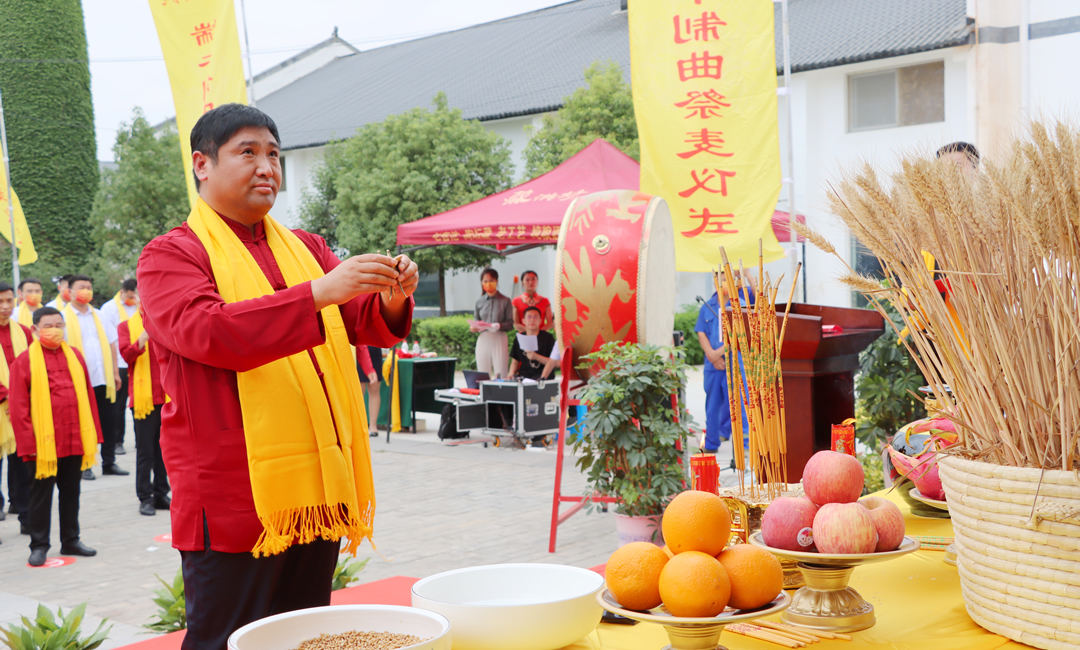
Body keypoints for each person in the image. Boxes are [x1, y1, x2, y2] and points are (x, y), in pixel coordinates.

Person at [136, 103, 417, 649]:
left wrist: (387, 296)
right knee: (227, 638)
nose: (267, 167)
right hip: (232, 490)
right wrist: (318, 293)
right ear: (201, 164)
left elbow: (357, 320)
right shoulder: (172, 254)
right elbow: (209, 332)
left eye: (274, 155)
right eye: (248, 152)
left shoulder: (305, 247)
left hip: (314, 487)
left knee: (301, 633)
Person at [10, 307, 102, 567]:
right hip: (44, 445)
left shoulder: (75, 356)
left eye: (59, 325)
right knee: (41, 496)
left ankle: (71, 539)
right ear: (35, 330)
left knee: (71, 492)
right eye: (48, 325)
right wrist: (30, 444)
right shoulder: (25, 361)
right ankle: (39, 545)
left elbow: (87, 396)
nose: (55, 330)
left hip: (74, 437)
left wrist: (92, 433)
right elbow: (19, 409)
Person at [62, 275, 126, 480]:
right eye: (82, 287)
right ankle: (86, 464)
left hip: (103, 379)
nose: (86, 291)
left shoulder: (99, 315)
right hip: (79, 382)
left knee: (109, 422)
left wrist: (115, 373)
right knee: (84, 423)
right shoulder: (62, 318)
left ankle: (109, 463)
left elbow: (112, 344)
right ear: (69, 292)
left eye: (89, 287)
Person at [695, 280, 751, 454]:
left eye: (726, 279)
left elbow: (741, 335)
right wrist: (711, 356)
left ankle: (745, 443)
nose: (723, 283)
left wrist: (719, 353)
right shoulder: (707, 306)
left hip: (735, 363)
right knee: (712, 405)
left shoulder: (740, 306)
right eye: (719, 279)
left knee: (740, 403)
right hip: (713, 366)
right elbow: (701, 331)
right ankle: (711, 443)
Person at [0, 282, 33, 533]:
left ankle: (25, 515)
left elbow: (34, 366)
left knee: (22, 465)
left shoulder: (24, 331)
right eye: (0, 302)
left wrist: (21, 398)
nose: (5, 306)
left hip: (21, 409)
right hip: (4, 405)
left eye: (9, 300)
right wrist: (7, 396)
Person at [101, 279, 139, 456]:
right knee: (118, 406)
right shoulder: (109, 308)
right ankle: (118, 442)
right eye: (130, 296)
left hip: (139, 360)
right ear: (122, 292)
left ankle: (141, 440)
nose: (132, 299)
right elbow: (110, 338)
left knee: (138, 404)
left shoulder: (139, 305)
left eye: (135, 296)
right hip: (121, 362)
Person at [470, 268, 513, 379]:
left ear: (497, 281)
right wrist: (474, 327)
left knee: (501, 373)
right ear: (481, 283)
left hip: (499, 338)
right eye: (485, 281)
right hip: (483, 339)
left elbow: (510, 323)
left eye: (491, 280)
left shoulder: (505, 300)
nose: (488, 283)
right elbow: (475, 322)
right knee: (483, 374)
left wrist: (499, 326)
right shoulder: (479, 301)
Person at [508, 307, 558, 380]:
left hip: (543, 376)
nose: (532, 320)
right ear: (523, 320)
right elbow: (515, 361)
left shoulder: (548, 338)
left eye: (535, 317)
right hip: (523, 376)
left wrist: (536, 357)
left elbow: (556, 362)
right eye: (529, 317)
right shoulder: (519, 337)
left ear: (540, 321)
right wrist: (511, 373)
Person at [356, 346, 382, 437]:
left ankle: (373, 425)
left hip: (373, 346)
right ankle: (359, 425)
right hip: (357, 346)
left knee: (374, 389)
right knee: (359, 390)